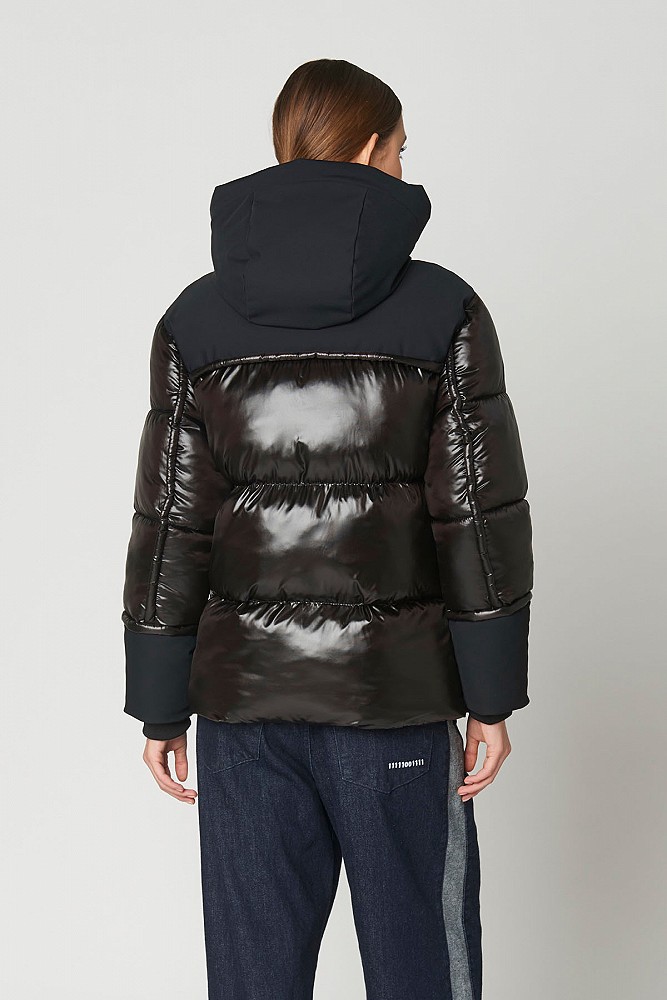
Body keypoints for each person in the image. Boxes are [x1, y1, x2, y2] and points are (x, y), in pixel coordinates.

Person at [121, 58, 533, 1000]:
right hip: (393, 705)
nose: (401, 168)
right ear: (371, 146)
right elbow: (476, 516)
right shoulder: (444, 308)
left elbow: (171, 524)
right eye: (400, 149)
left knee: (253, 983)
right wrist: (490, 695)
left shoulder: (194, 318)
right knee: (422, 973)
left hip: (242, 715)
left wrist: (159, 701)